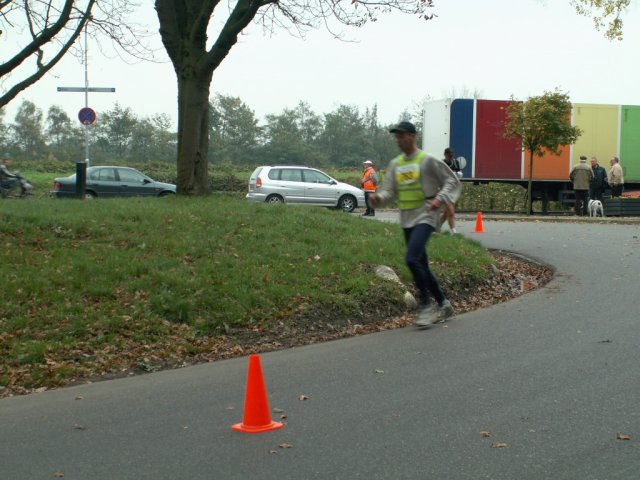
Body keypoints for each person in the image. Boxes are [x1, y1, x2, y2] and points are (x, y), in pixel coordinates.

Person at [369, 121, 461, 327]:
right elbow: (390, 192)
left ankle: (426, 307)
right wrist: (378, 199)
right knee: (422, 265)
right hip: (407, 218)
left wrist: (440, 200)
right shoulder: (396, 164)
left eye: (402, 136)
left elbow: (451, 181)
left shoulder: (427, 160)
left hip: (426, 215)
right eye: (396, 137)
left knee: (411, 259)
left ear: (412, 136)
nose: (399, 140)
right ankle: (444, 303)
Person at [442, 147, 461, 233]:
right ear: (445, 155)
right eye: (449, 156)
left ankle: (436, 226)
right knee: (451, 210)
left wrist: (458, 173)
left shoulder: (456, 162)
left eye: (452, 156)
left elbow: (460, 173)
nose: (450, 158)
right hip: (445, 189)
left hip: (455, 189)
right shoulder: (442, 163)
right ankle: (454, 231)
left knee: (447, 212)